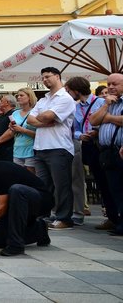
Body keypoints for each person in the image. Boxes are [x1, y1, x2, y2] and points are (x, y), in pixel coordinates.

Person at [26, 66, 76, 230]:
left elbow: (45, 116)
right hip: (40, 147)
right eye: (43, 77)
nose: (45, 80)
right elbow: (30, 120)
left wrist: (44, 119)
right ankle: (44, 215)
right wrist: (45, 121)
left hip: (59, 147)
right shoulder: (43, 99)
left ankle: (64, 218)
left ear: (57, 76)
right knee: (43, 185)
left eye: (48, 76)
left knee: (62, 185)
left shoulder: (65, 98)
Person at [64, 77, 104, 226]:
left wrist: (97, 131)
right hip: (87, 145)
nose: (68, 93)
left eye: (69, 90)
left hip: (102, 143)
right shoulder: (75, 107)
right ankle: (111, 216)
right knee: (99, 179)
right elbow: (74, 128)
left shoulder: (100, 102)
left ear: (76, 90)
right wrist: (80, 135)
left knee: (106, 179)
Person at [89, 73, 123, 236]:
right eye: (108, 84)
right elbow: (93, 121)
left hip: (120, 149)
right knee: (113, 188)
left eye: (115, 84)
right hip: (106, 151)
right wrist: (105, 107)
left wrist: (107, 118)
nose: (110, 87)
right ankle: (118, 221)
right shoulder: (105, 103)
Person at [11, 88, 37, 173]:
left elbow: (39, 134)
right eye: (17, 95)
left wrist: (22, 130)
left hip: (31, 149)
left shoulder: (35, 112)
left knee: (31, 177)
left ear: (29, 97)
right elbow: (12, 131)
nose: (18, 97)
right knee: (19, 176)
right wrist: (11, 128)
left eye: (21, 95)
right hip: (17, 149)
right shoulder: (15, 113)